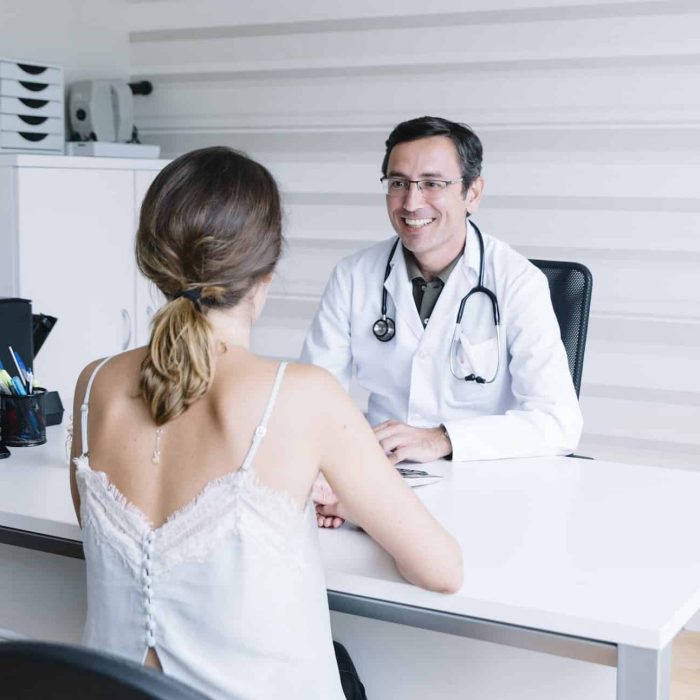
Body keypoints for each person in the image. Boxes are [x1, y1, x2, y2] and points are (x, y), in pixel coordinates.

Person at [69, 147, 463, 700]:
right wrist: (356, 501)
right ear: (267, 271)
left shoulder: (92, 386)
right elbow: (441, 569)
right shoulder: (303, 396)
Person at [302, 115, 583, 476]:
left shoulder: (518, 282)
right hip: (381, 476)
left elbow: (558, 422)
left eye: (432, 184)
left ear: (473, 193)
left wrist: (442, 439)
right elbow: (314, 399)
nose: (411, 202)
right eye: (398, 182)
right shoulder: (353, 276)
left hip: (485, 479)